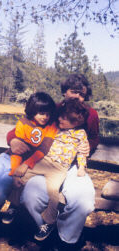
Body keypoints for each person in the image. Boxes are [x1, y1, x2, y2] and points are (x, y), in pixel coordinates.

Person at [7, 73, 99, 248]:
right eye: (74, 92)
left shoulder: (90, 114)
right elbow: (25, 126)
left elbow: (94, 138)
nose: (78, 97)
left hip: (71, 166)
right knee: (30, 195)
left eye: (82, 94)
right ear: (65, 92)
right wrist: (13, 139)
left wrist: (88, 147)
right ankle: (43, 228)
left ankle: (66, 240)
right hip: (47, 160)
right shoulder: (53, 109)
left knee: (84, 202)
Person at [0, 91, 57, 251]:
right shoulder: (23, 122)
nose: (45, 117)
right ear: (33, 110)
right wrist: (14, 171)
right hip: (8, 160)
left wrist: (21, 169)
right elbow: (14, 145)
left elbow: (43, 149)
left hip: (23, 166)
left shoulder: (51, 126)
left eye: (48, 113)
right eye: (41, 113)